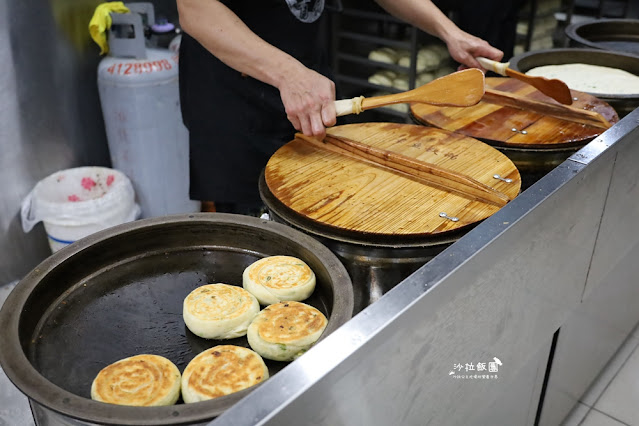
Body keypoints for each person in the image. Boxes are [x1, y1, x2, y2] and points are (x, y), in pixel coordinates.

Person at [177, 0, 503, 215]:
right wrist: (288, 74)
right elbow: (195, 8)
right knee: (260, 239)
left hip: (311, 78)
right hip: (237, 95)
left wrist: (448, 31)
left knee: (322, 209)